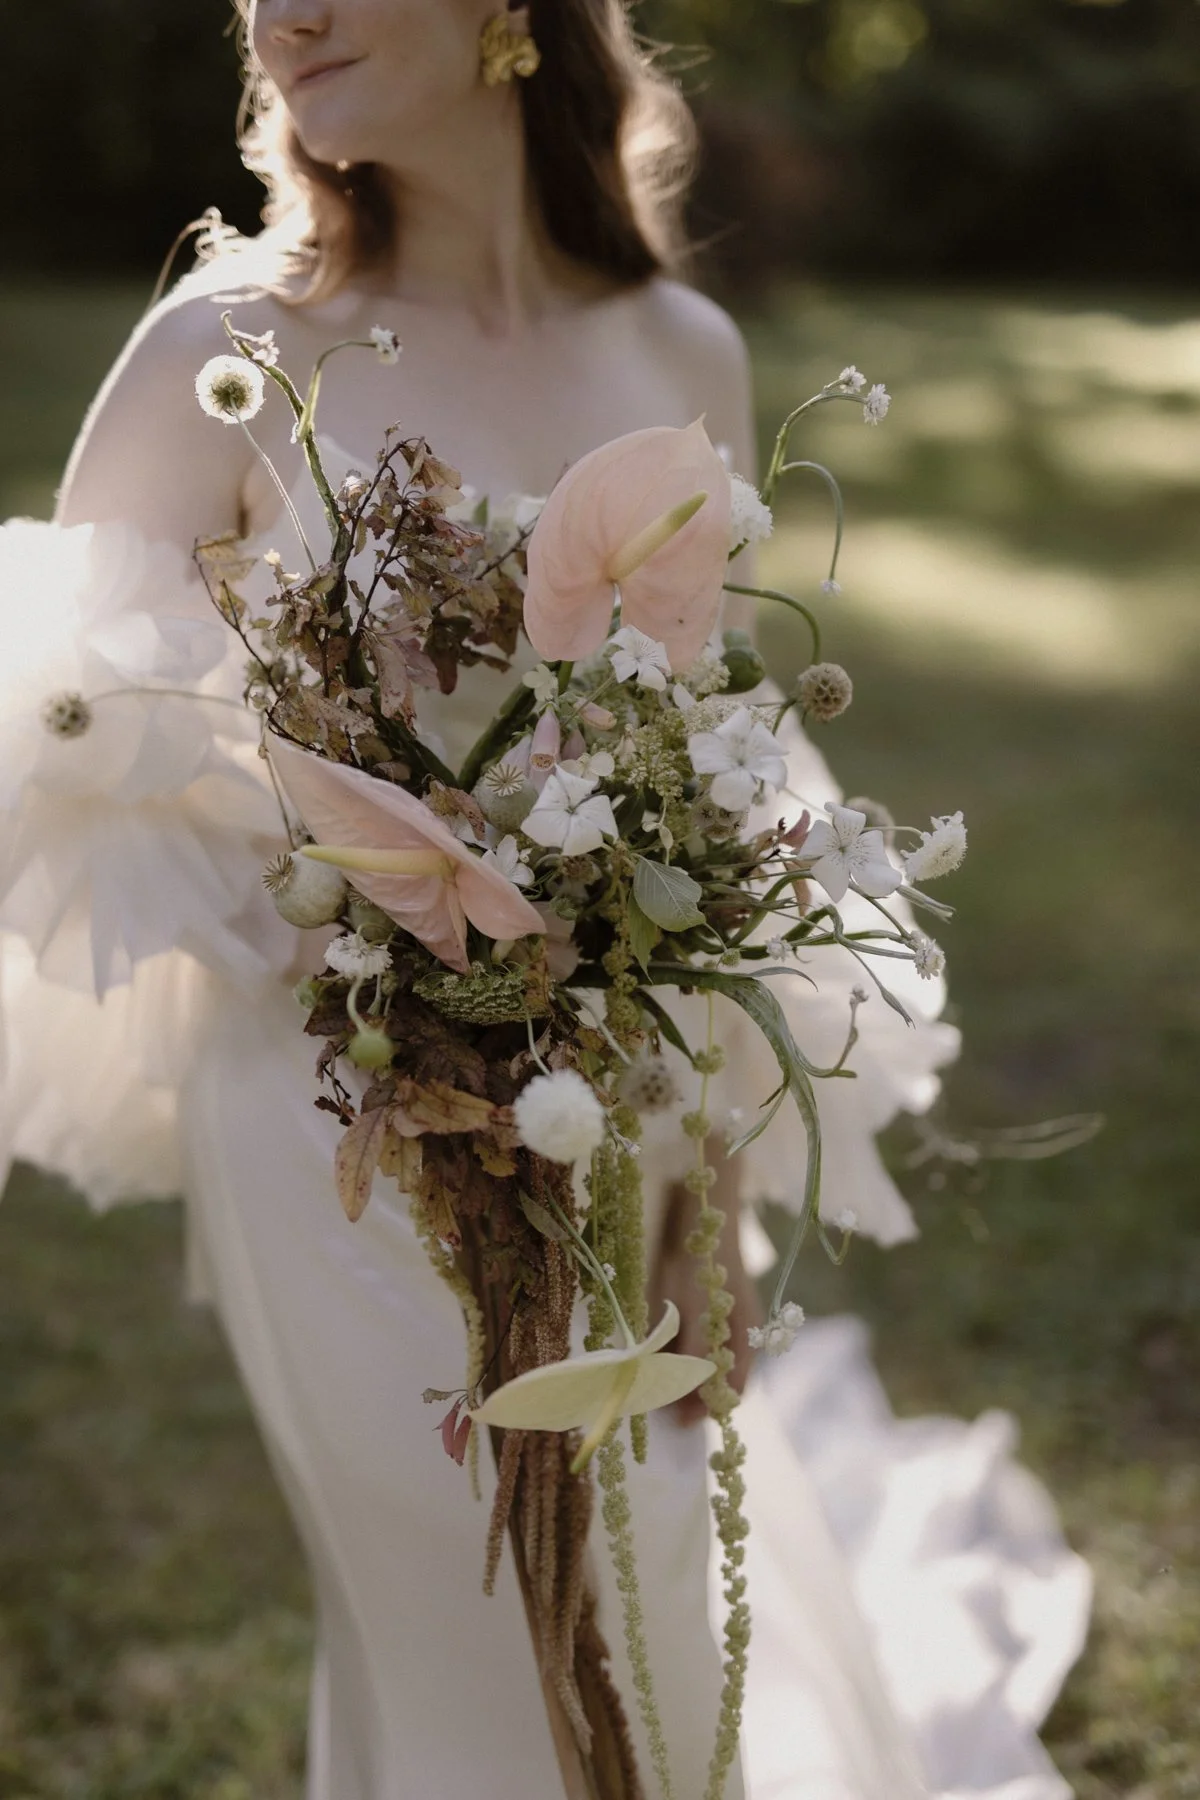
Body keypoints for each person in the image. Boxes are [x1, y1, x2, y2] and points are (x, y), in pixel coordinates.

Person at [3, 2, 1090, 1795]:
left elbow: (723, 788)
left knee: (658, 1581)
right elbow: (61, 757)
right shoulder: (229, 343)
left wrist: (718, 1180)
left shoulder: (686, 348)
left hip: (631, 1109)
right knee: (453, 1612)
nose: (288, 12)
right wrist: (355, 887)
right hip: (333, 1118)